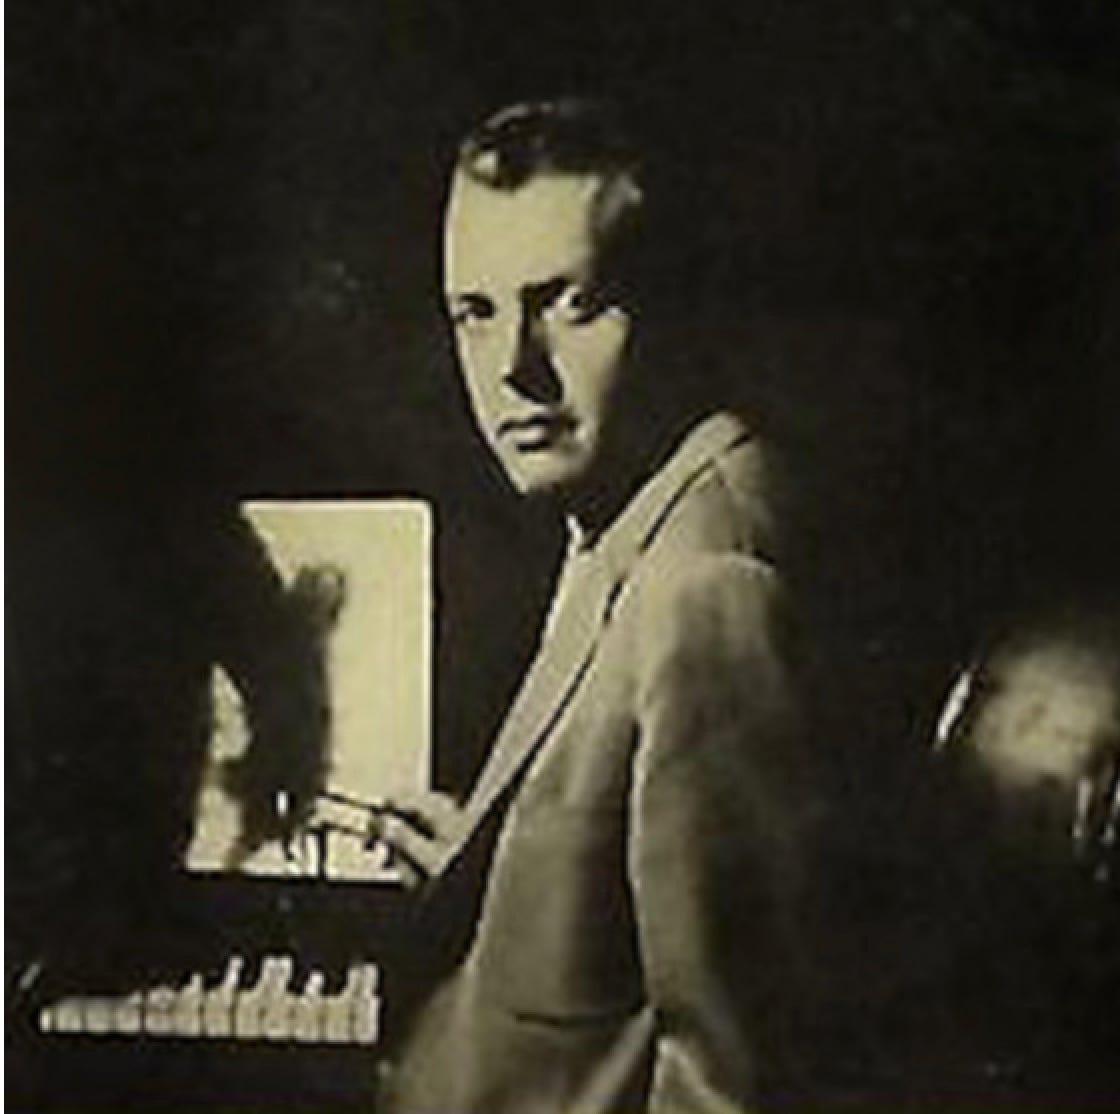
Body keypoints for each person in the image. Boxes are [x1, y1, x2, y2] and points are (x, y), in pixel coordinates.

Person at [373, 98, 820, 1114]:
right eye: (474, 311)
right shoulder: (623, 509)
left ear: (674, 301)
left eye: (568, 303)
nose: (511, 369)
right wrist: (503, 866)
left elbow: (730, 1087)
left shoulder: (707, 581)